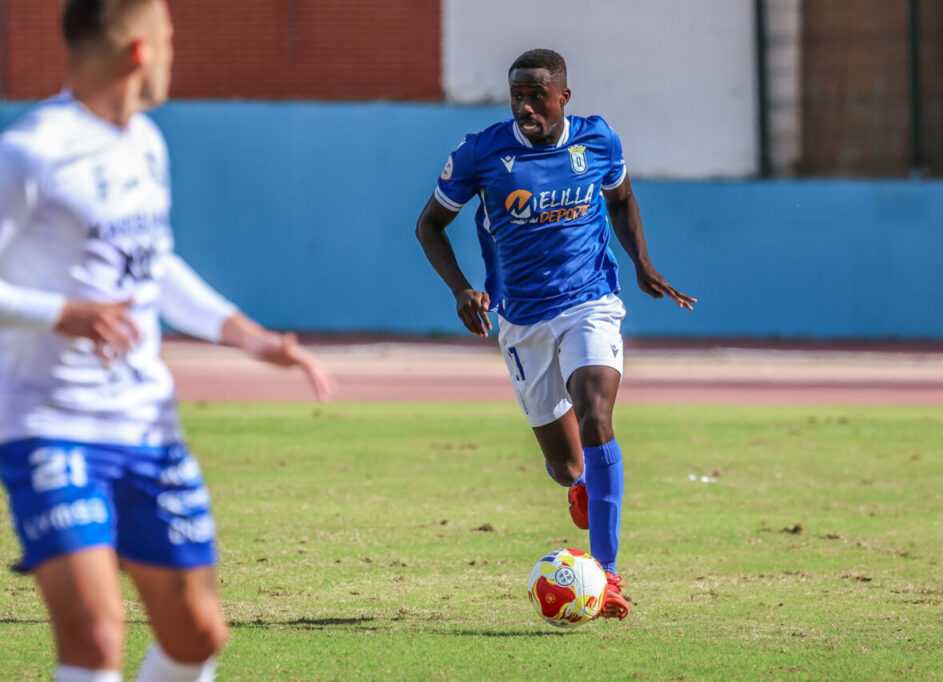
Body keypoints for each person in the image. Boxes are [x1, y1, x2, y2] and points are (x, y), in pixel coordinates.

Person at [0, 1, 335, 679]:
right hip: (51, 427)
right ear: (140, 52)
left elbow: (155, 265)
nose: (175, 53)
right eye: (171, 38)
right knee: (95, 637)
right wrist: (58, 311)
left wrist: (250, 337)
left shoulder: (146, 144)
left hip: (148, 430)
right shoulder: (30, 152)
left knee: (198, 636)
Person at [416, 48, 696, 620]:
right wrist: (462, 289)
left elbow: (620, 200)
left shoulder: (598, 141)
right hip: (522, 321)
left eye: (536, 96)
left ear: (563, 97)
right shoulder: (482, 153)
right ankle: (579, 485)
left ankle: (609, 575)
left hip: (590, 301)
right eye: (516, 95)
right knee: (568, 466)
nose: (525, 107)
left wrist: (641, 262)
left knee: (597, 414)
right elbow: (429, 226)